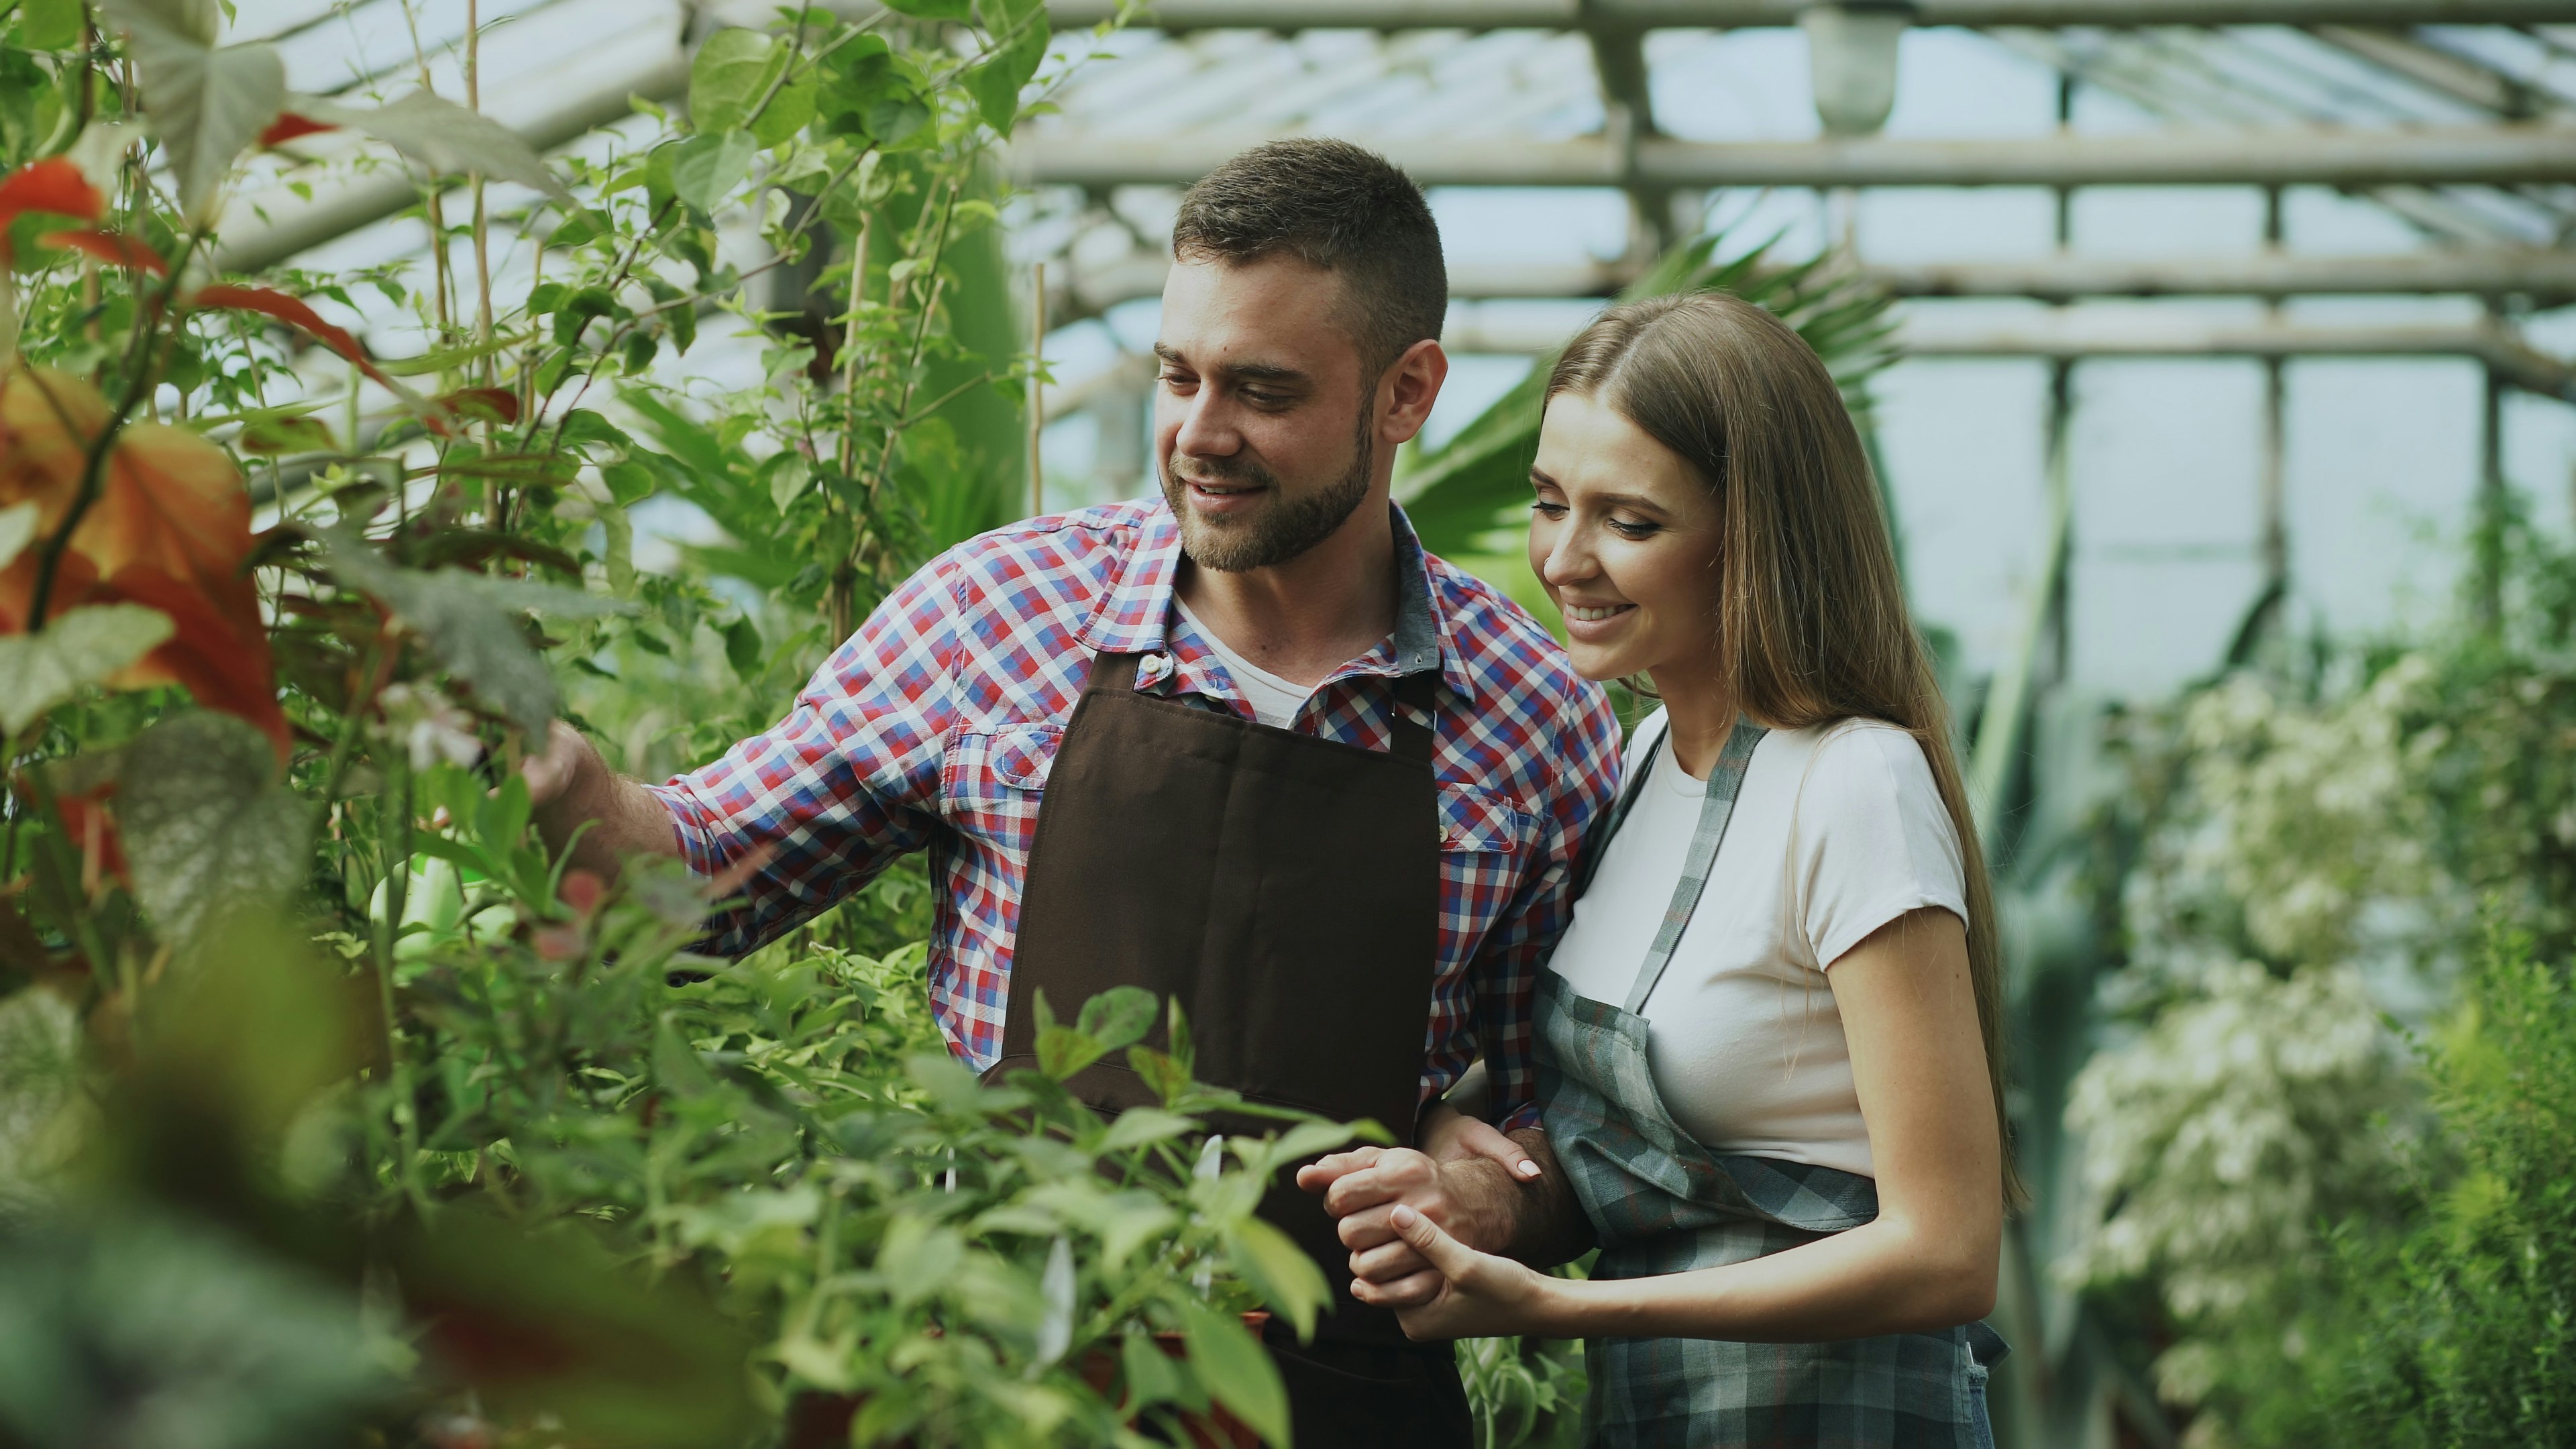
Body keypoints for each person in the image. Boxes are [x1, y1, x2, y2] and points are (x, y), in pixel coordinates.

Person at [518, 138, 1621, 1446]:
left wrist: (1507, 1196)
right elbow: (699, 884)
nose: (1200, 434)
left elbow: (1584, 1113)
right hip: (991, 1388)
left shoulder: (1533, 724)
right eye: (1177, 375)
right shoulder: (1001, 615)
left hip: (1339, 1402)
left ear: (1408, 391)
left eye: (1262, 390)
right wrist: (564, 779)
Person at [1302, 292, 2017, 1447]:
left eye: (1629, 521)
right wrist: (1445, 1134)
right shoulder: (1638, 767)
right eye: (1549, 503)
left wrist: (1566, 1305)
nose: (1564, 560)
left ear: (1756, 534)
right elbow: (1598, 1117)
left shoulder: (1853, 784)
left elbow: (1947, 1251)